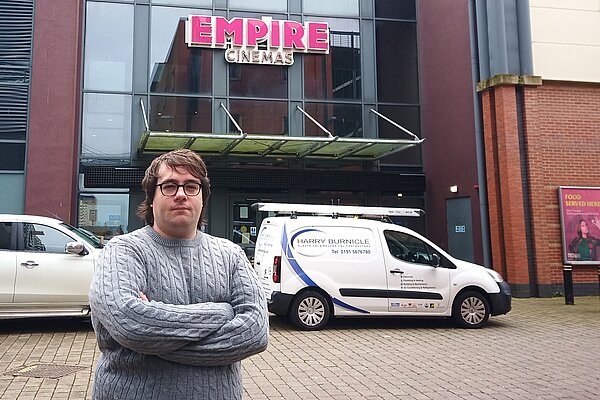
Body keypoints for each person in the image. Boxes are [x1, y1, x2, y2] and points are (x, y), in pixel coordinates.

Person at [89, 149, 269, 400]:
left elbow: (255, 333)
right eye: (170, 186)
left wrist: (156, 342)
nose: (181, 194)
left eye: (191, 186)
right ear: (151, 197)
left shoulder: (231, 254)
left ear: (203, 197)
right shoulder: (123, 250)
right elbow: (130, 324)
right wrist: (221, 312)